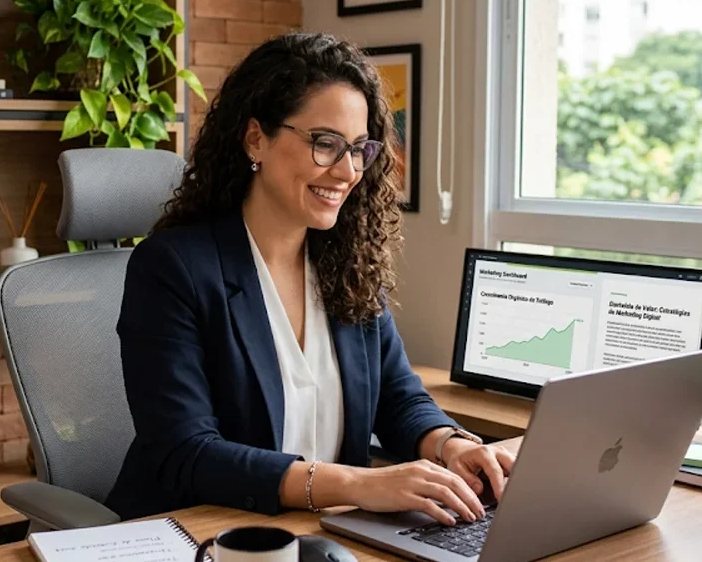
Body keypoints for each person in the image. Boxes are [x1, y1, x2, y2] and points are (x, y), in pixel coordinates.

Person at [103, 32, 515, 527]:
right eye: (325, 144)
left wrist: (449, 445)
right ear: (256, 138)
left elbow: (398, 397)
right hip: (200, 534)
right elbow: (186, 452)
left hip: (321, 534)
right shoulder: (172, 269)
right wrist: (359, 484)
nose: (347, 170)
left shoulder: (347, 266)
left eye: (360, 148)